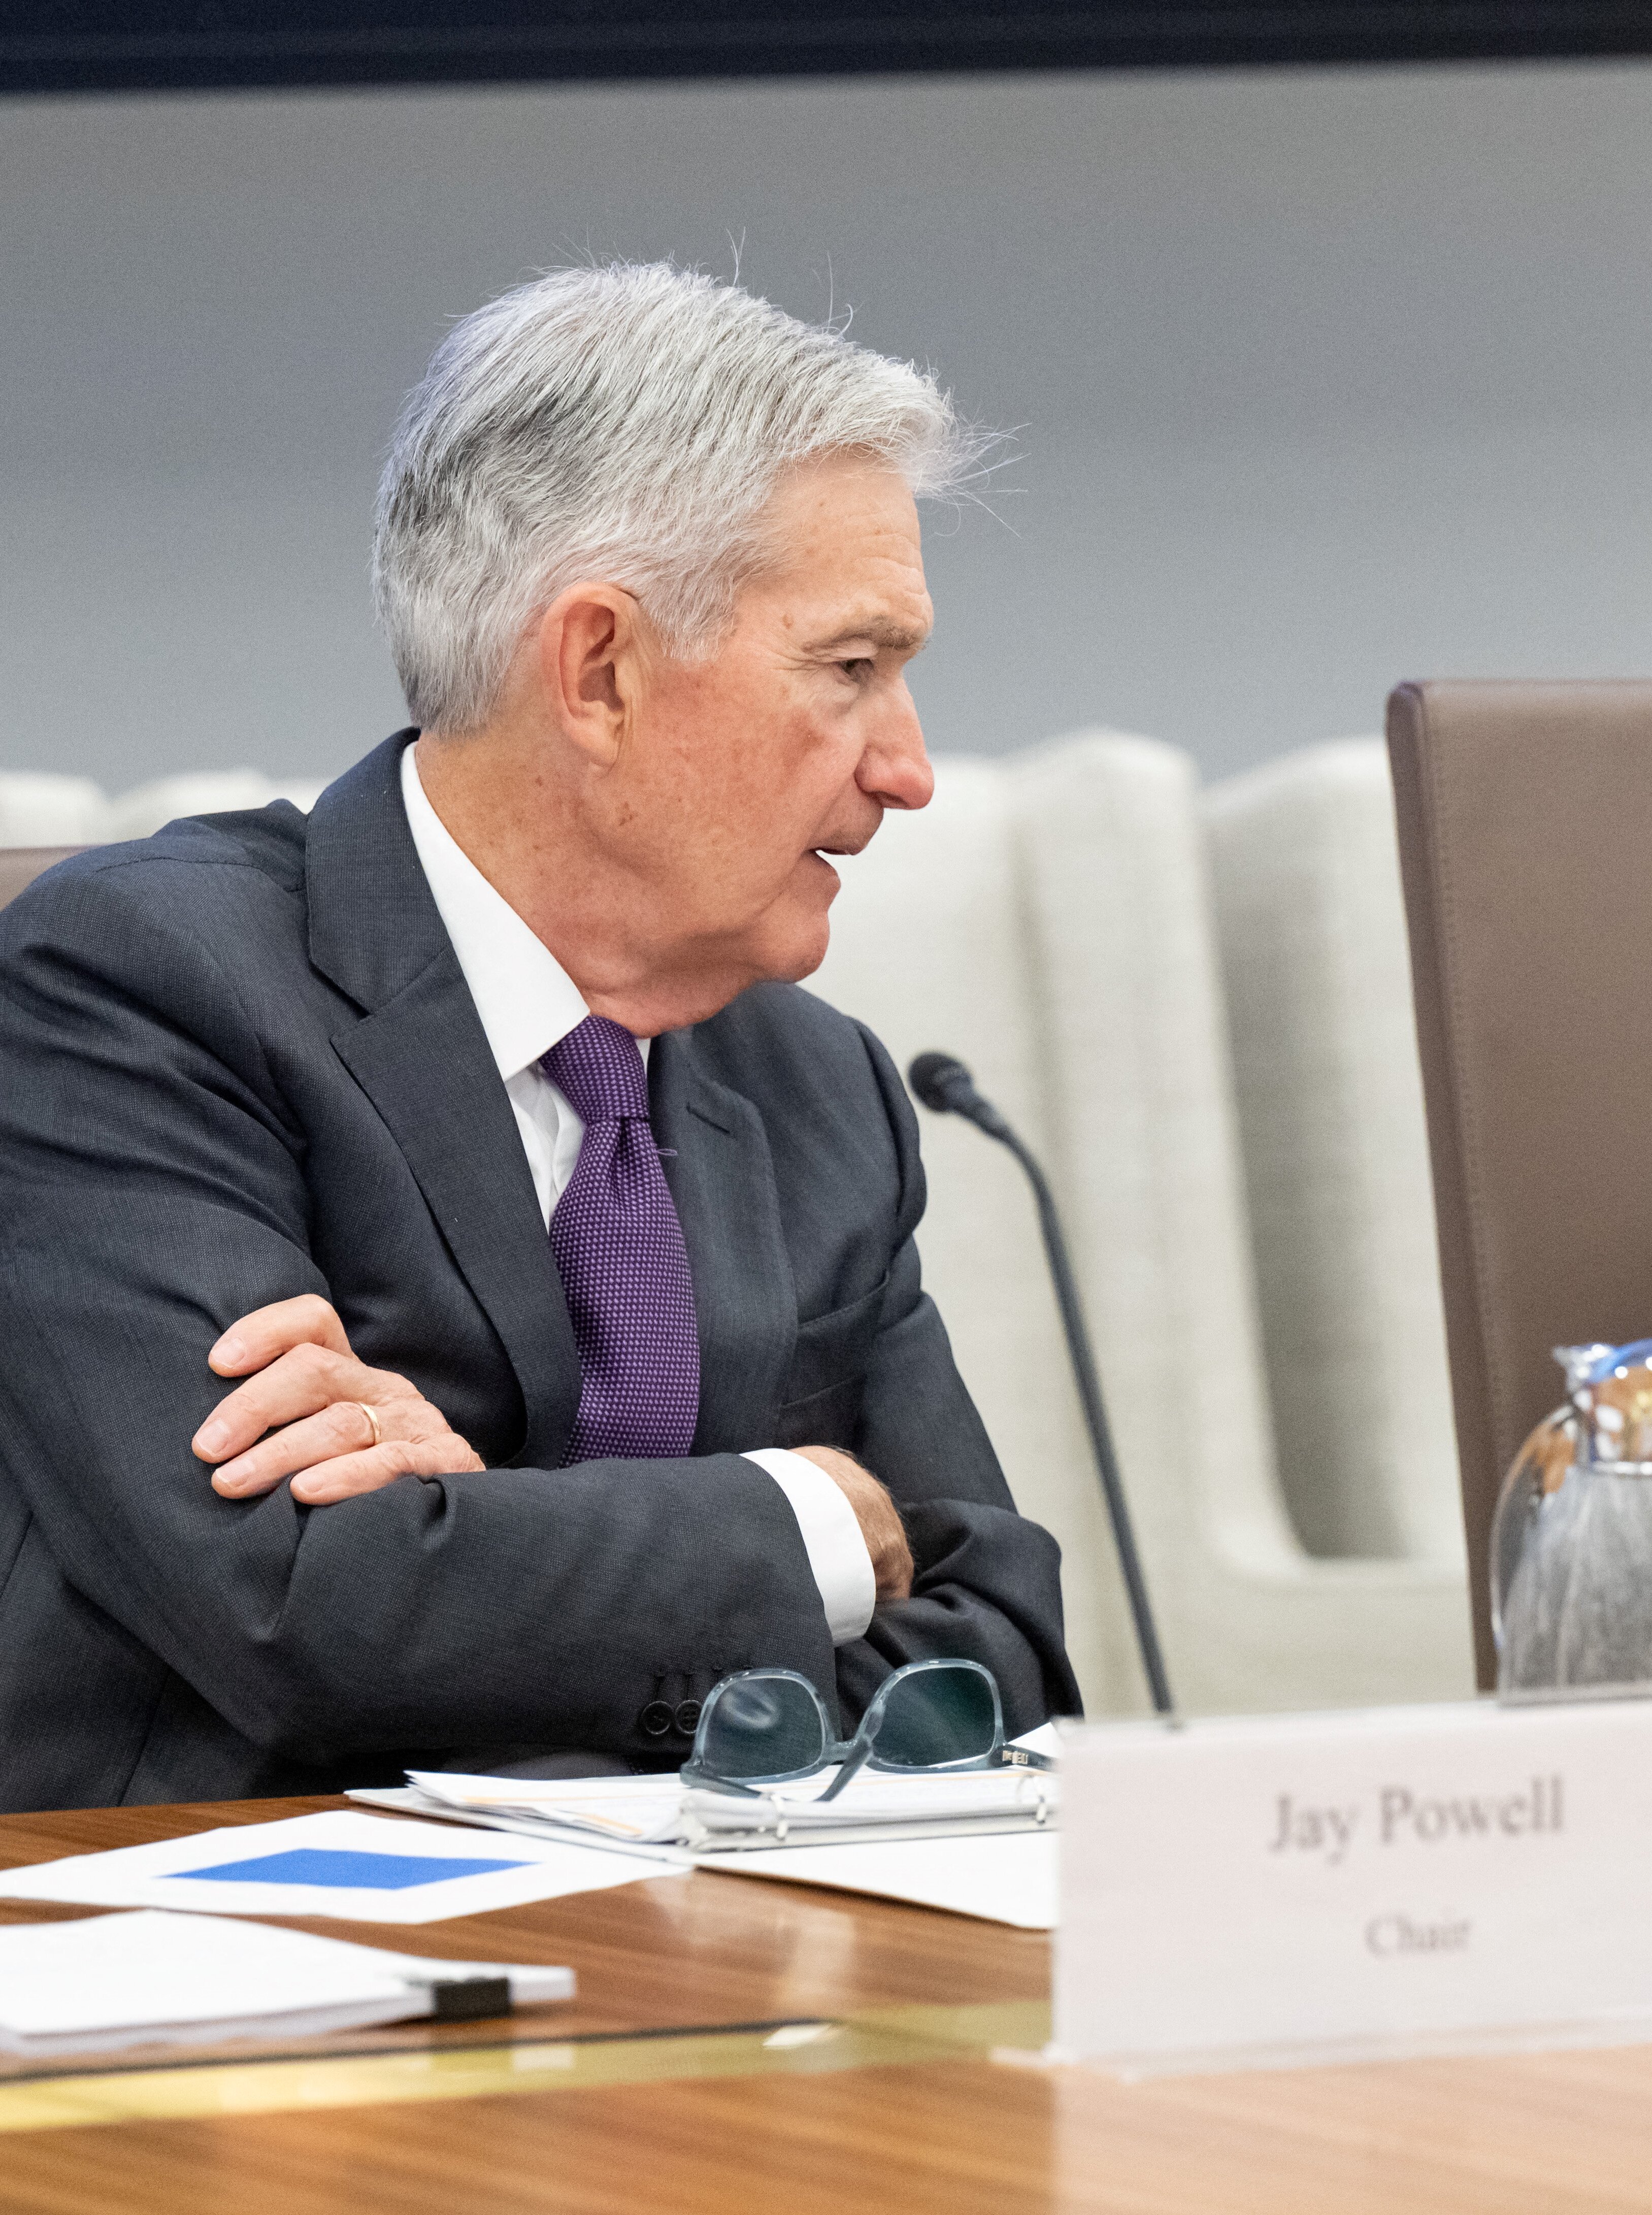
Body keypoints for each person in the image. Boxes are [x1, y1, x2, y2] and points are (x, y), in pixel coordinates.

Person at [0, 265, 1075, 1808]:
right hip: (236, 1980)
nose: (905, 769)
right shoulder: (140, 992)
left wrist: (475, 1554)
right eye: (851, 671)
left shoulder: (819, 1085)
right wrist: (815, 1520)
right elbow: (298, 1616)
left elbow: (999, 1657)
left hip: (698, 1965)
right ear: (600, 671)